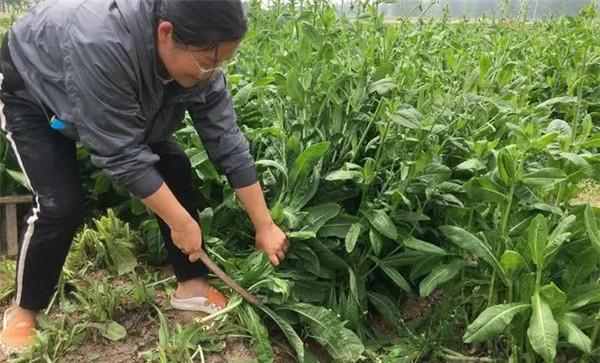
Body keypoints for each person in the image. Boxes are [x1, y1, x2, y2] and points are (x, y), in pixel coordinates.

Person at [0, 0, 288, 355]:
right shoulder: (101, 42)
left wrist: (264, 225)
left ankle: (191, 286)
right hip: (33, 91)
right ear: (166, 34)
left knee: (175, 166)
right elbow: (122, 154)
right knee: (60, 204)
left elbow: (226, 140)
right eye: (209, 61)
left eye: (222, 62)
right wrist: (181, 223)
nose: (213, 72)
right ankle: (23, 310)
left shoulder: (197, 58)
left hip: (112, 94)